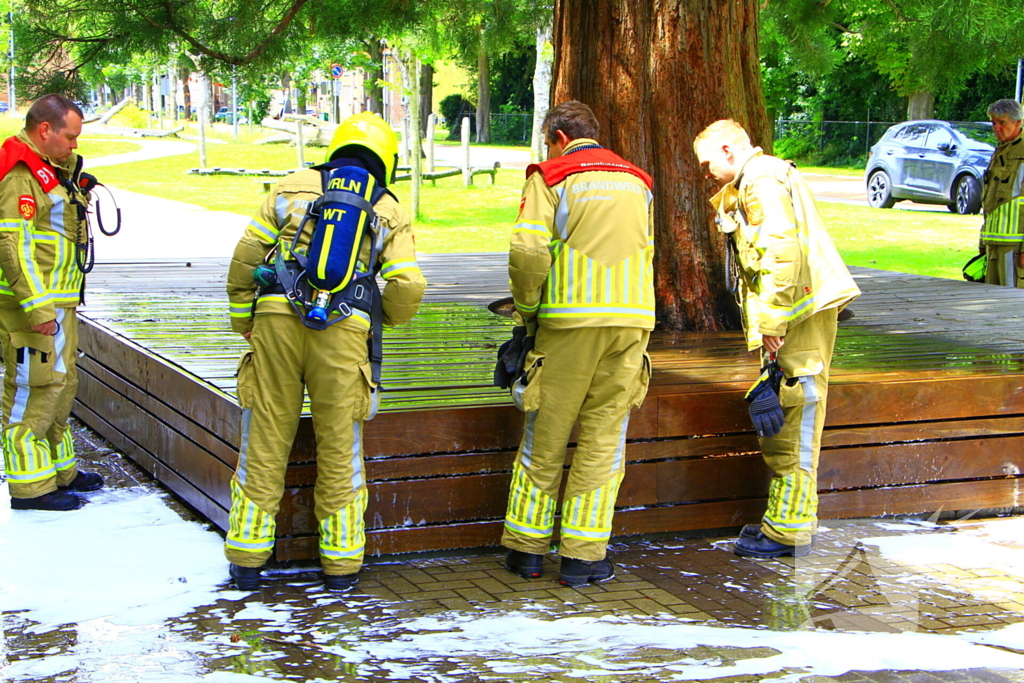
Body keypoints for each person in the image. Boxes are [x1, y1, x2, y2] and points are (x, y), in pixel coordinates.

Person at [223, 112, 426, 591]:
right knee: (340, 447)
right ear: (387, 159)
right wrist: (380, 319)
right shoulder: (388, 208)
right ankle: (341, 565)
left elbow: (247, 254)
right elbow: (408, 285)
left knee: (264, 438)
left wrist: (243, 318)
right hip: (344, 331)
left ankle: (247, 559)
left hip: (276, 321)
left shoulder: (290, 186)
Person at [501, 100, 654, 587]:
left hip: (568, 324)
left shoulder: (550, 176)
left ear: (559, 138)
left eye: (547, 142)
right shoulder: (639, 181)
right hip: (631, 324)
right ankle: (583, 559)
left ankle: (526, 551)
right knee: (604, 441)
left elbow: (528, 253)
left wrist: (527, 310)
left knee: (545, 436)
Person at [693, 119, 859, 559]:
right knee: (787, 415)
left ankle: (788, 532)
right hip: (795, 312)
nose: (705, 173)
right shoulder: (759, 177)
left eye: (707, 163)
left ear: (728, 150)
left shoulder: (760, 180)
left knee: (796, 416)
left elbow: (781, 251)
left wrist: (772, 321)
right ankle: (786, 522)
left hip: (795, 314)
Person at [0, 94, 104, 511]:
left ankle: (60, 473)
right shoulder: (20, 174)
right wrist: (38, 308)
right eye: (70, 137)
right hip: (34, 308)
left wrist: (74, 179)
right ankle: (31, 489)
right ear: (45, 129)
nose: (75, 145)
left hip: (60, 301)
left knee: (61, 386)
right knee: (33, 391)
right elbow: (13, 245)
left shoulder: (50, 169)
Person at [980, 98, 1024, 286]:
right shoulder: (999, 152)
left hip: (1015, 248)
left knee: (1011, 299)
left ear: (1018, 122)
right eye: (993, 123)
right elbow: (989, 201)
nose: (996, 128)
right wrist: (982, 242)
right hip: (993, 243)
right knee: (991, 298)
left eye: (1002, 123)